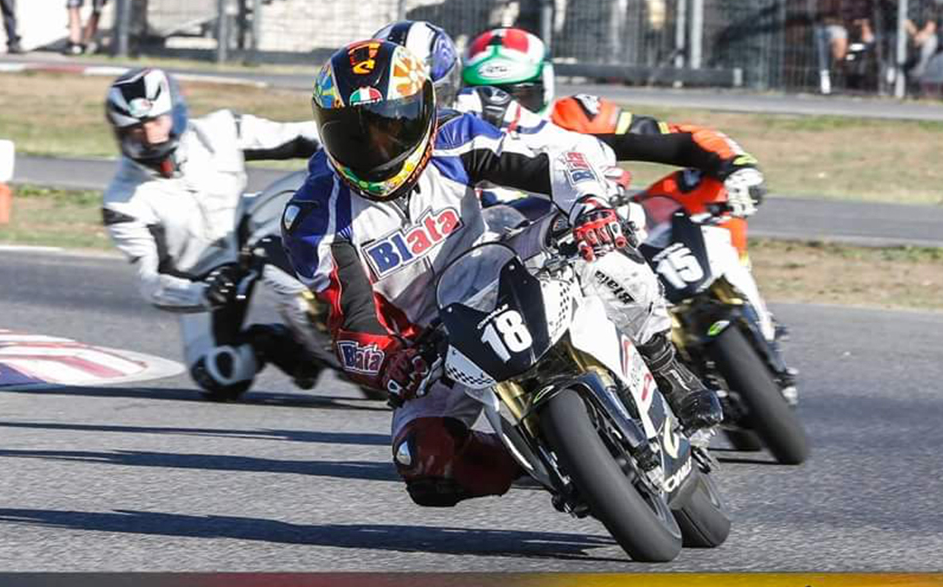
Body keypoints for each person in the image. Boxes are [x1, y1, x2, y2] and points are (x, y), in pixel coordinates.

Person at [281, 39, 721, 507]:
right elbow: (352, 326)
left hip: (501, 268)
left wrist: (589, 207)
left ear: (425, 111)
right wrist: (390, 361)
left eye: (393, 126)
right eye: (356, 136)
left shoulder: (454, 137)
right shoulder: (315, 220)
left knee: (606, 242)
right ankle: (553, 464)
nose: (379, 148)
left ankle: (665, 365)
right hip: (435, 344)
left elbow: (553, 164)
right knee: (423, 462)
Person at [101, 67, 328, 400]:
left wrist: (363, 141)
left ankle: (346, 303)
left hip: (258, 228)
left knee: (318, 181)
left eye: (156, 122)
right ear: (121, 135)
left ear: (175, 112)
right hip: (208, 277)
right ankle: (286, 347)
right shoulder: (122, 202)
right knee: (219, 373)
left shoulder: (221, 129)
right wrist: (202, 293)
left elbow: (300, 136)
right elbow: (150, 281)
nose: (150, 136)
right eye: (136, 130)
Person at [461, 27, 766, 255]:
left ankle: (736, 300)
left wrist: (735, 165)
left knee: (708, 185)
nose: (506, 108)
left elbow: (676, 138)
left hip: (607, 239)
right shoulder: (453, 137)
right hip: (502, 262)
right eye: (485, 94)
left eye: (520, 95)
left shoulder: (578, 116)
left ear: (546, 84)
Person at [814, 0, 875, 94]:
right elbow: (824, 17)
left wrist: (865, 26)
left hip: (858, 28)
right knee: (839, 36)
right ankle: (846, 76)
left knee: (871, 40)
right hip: (835, 26)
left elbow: (871, 15)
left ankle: (862, 77)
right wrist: (847, 25)